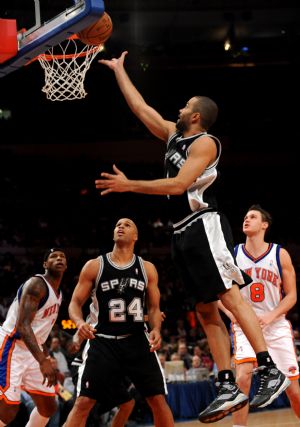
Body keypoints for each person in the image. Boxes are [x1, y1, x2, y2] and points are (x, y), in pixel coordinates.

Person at [94, 51, 290, 423]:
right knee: (204, 310)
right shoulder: (172, 136)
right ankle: (227, 383)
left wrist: (129, 185)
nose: (179, 110)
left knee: (229, 297)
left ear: (196, 116)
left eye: (185, 107)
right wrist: (120, 71)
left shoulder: (205, 143)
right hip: (181, 232)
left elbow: (182, 183)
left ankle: (268, 367)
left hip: (204, 224)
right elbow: (141, 109)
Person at [64, 217, 174, 427]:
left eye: (127, 224)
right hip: (103, 341)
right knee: (84, 402)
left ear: (136, 236)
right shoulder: (95, 266)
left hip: (136, 340)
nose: (120, 226)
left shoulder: (147, 268)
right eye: (117, 225)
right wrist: (79, 323)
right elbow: (75, 303)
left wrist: (156, 329)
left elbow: (153, 308)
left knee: (158, 399)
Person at [219, 204, 300, 426]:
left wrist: (272, 315)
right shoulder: (232, 254)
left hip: (275, 326)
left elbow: (292, 295)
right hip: (245, 326)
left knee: (293, 390)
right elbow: (216, 292)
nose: (247, 220)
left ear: (264, 225)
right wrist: (230, 312)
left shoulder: (279, 254)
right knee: (243, 377)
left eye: (252, 217)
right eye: (245, 217)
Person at [0, 248, 67, 427]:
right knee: (7, 411)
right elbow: (23, 326)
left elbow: (39, 333)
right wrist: (43, 361)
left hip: (31, 349)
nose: (59, 258)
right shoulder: (37, 284)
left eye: (62, 257)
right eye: (53, 256)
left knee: (48, 406)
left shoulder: (58, 294)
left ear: (66, 265)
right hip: (11, 346)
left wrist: (44, 356)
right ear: (45, 264)